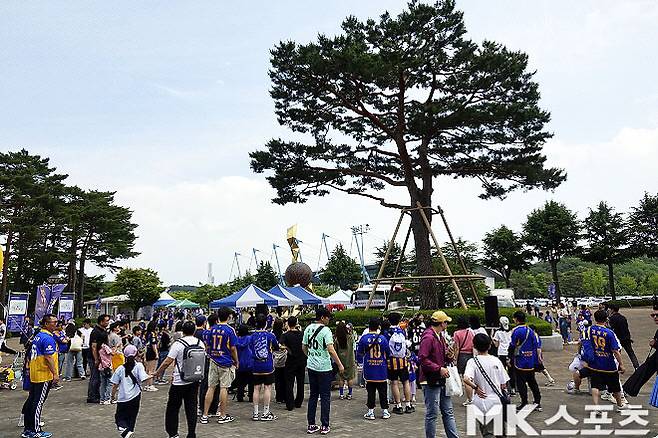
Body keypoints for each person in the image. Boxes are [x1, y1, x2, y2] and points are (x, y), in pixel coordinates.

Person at [155, 320, 205, 438]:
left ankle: (173, 433)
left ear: (183, 331)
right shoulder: (200, 343)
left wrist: (158, 372)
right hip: (194, 379)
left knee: (173, 408)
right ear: (194, 331)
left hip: (179, 380)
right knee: (191, 407)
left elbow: (168, 361)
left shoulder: (178, 344)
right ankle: (191, 433)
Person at [302, 307, 344, 435]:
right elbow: (330, 349)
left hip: (312, 366)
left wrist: (310, 356)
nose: (329, 319)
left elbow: (304, 347)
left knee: (313, 395)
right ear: (322, 318)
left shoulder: (308, 328)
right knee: (325, 396)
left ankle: (311, 424)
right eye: (328, 317)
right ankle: (325, 425)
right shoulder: (326, 330)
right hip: (324, 368)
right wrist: (340, 364)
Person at [418, 310, 458, 438]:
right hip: (431, 379)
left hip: (439, 378)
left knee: (447, 411)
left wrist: (449, 356)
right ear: (442, 323)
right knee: (433, 413)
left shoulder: (439, 336)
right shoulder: (429, 337)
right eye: (446, 322)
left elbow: (441, 356)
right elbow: (422, 359)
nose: (447, 324)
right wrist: (438, 368)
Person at [463, 333, 510, 438]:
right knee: (500, 432)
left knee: (487, 433)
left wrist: (476, 388)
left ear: (474, 346)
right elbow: (504, 384)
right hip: (497, 401)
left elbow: (466, 379)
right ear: (489, 346)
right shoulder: (496, 360)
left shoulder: (472, 362)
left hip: (481, 402)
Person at [582, 309, 627, 412]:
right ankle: (620, 405)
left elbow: (585, 344)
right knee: (615, 386)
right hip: (608, 365)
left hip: (594, 364)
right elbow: (615, 351)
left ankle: (596, 407)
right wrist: (621, 364)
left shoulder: (589, 330)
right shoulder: (609, 333)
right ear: (606, 319)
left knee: (595, 385)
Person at [22, 314, 59, 438]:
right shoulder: (47, 338)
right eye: (53, 322)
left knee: (32, 401)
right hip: (43, 374)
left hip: (35, 373)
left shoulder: (39, 336)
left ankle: (28, 429)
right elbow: (48, 358)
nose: (56, 324)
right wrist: (55, 374)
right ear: (46, 324)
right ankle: (36, 430)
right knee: (38, 403)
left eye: (56, 322)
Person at [202, 306, 239, 425]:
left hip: (213, 360)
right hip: (225, 361)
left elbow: (207, 346)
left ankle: (205, 415)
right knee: (224, 388)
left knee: (211, 387)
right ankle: (222, 415)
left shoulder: (211, 329)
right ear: (229, 316)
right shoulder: (230, 330)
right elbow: (233, 348)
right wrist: (236, 361)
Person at [110, 344, 149, 438]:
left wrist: (112, 396)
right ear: (136, 355)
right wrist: (152, 374)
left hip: (123, 398)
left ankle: (126, 432)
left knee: (119, 418)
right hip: (135, 396)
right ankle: (129, 432)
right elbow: (144, 378)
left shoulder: (120, 369)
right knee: (132, 417)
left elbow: (115, 384)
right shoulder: (139, 366)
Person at [357, 317, 391, 420]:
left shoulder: (363, 338)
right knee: (383, 391)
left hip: (369, 369)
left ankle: (371, 412)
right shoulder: (383, 338)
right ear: (378, 327)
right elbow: (388, 353)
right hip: (381, 369)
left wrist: (360, 363)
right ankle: (385, 411)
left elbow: (359, 353)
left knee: (370, 391)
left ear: (369, 326)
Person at [510, 311, 542, 412]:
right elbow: (535, 346)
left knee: (521, 383)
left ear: (516, 319)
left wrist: (509, 357)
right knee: (532, 382)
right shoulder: (530, 331)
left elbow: (512, 345)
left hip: (520, 361)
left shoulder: (516, 331)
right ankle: (537, 402)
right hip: (530, 360)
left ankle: (524, 402)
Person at [250, 314, 279, 421]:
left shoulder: (252, 336)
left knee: (256, 388)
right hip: (267, 365)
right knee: (267, 387)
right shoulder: (270, 335)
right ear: (266, 323)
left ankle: (256, 413)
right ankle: (266, 412)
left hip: (255, 365)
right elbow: (276, 346)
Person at [386, 312, 414, 413]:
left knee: (394, 382)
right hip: (403, 360)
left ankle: (398, 405)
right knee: (406, 382)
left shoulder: (387, 332)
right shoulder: (402, 331)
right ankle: (408, 404)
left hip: (392, 360)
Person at [280, 315, 306, 411]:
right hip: (302, 360)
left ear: (288, 324)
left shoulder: (285, 335)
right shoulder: (302, 334)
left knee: (289, 383)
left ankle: (290, 404)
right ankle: (299, 401)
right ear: (296, 323)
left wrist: (287, 348)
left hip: (291, 361)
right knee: (300, 382)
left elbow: (280, 345)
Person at [608, 304, 640, 369]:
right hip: (626, 338)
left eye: (610, 309)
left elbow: (611, 329)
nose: (609, 310)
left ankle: (617, 366)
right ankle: (636, 366)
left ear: (612, 310)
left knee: (617, 353)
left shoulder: (612, 318)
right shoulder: (623, 317)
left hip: (618, 338)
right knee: (631, 353)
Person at [88, 314, 110, 404]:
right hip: (95, 357)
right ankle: (92, 396)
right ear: (101, 322)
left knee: (100, 377)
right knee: (95, 377)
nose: (108, 322)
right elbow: (94, 347)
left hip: (102, 358)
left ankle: (97, 394)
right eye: (106, 321)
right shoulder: (96, 332)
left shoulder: (103, 331)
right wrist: (96, 359)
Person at [452, 316, 474, 406]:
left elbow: (457, 348)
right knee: (471, 378)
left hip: (462, 356)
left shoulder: (457, 333)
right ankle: (473, 397)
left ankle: (470, 399)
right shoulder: (470, 332)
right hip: (471, 355)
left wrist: (455, 359)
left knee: (466, 379)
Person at [492, 316, 515, 396]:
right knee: (511, 371)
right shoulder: (511, 331)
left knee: (502, 371)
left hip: (501, 353)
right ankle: (513, 388)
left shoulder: (498, 332)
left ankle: (505, 388)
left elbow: (496, 345)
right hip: (510, 352)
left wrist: (492, 338)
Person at [335, 321, 356, 400]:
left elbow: (335, 350)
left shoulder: (337, 339)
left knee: (341, 378)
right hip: (350, 360)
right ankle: (350, 394)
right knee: (350, 378)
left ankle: (341, 394)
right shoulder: (350, 337)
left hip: (340, 361)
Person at [234, 324, 254, 403]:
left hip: (240, 363)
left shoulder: (236, 340)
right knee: (251, 381)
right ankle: (251, 396)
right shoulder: (250, 338)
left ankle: (240, 395)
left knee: (240, 381)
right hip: (250, 362)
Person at [98, 330, 115, 405]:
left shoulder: (99, 347)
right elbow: (112, 353)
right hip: (108, 366)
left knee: (103, 383)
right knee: (110, 383)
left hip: (101, 367)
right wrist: (116, 347)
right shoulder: (105, 346)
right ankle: (107, 398)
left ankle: (102, 399)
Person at [143, 321, 159, 392]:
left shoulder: (146, 333)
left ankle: (147, 385)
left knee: (147, 369)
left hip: (147, 351)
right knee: (151, 370)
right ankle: (150, 385)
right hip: (152, 352)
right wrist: (156, 353)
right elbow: (154, 344)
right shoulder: (153, 334)